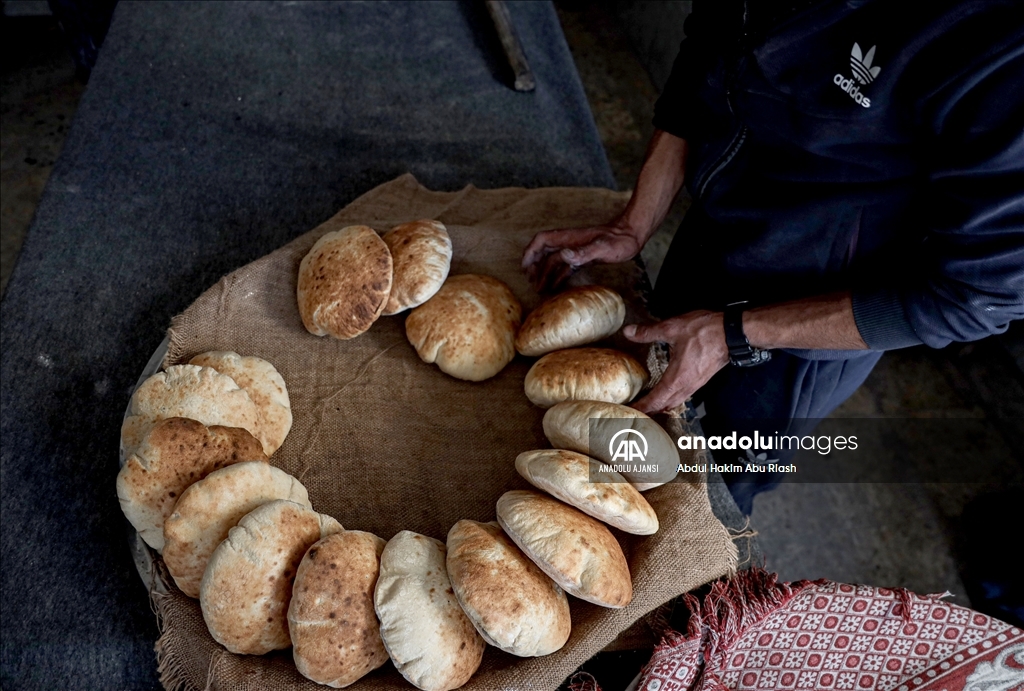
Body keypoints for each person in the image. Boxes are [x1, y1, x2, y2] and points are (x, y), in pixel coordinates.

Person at [522, 0, 1024, 514]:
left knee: (711, 490)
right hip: (715, 232)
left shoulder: (1000, 44)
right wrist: (633, 223)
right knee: (633, 416)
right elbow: (710, 44)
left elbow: (977, 295)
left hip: (806, 328)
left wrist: (734, 333)